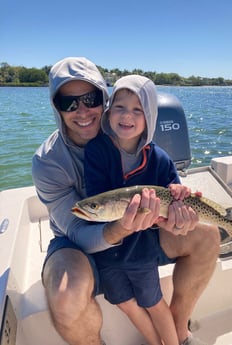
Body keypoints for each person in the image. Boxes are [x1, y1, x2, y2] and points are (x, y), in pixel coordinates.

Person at [32, 57, 221, 345]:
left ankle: (179, 334)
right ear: (55, 107)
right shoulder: (48, 161)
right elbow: (75, 229)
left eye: (90, 98)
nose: (82, 110)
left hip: (140, 230)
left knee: (207, 235)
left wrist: (177, 219)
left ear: (104, 99)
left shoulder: (130, 133)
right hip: (77, 241)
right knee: (66, 294)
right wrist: (119, 228)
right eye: (68, 102)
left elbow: (166, 190)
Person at [84, 74, 190, 345]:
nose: (126, 115)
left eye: (137, 109)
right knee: (126, 303)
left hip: (142, 251)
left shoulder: (160, 159)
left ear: (150, 116)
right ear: (108, 112)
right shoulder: (96, 151)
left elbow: (175, 198)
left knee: (154, 303)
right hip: (106, 253)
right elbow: (96, 200)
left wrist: (179, 197)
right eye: (119, 106)